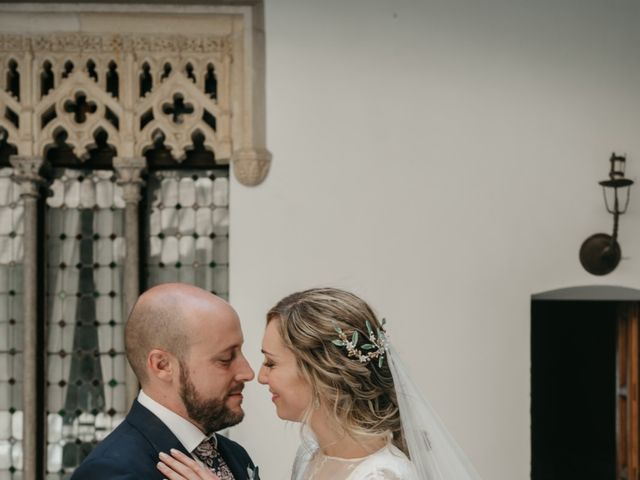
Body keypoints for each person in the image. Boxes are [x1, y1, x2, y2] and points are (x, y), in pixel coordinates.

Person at [159, 287, 482, 480]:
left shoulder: (380, 476)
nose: (260, 376)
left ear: (320, 372)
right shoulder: (311, 455)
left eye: (271, 362)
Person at [71, 283, 259, 480]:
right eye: (225, 359)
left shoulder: (236, 455)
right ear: (162, 365)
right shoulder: (110, 471)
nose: (247, 373)